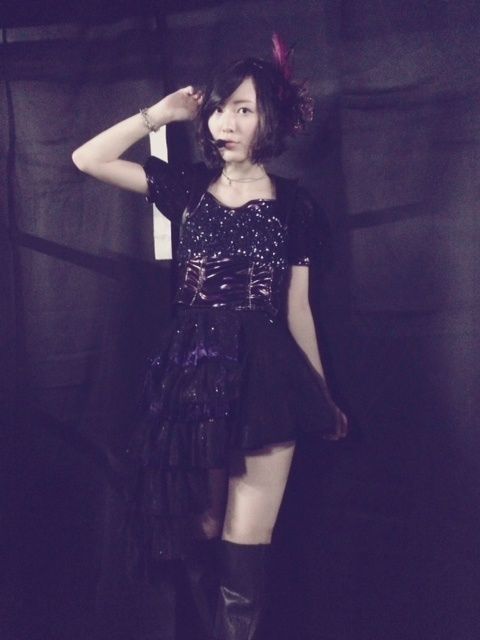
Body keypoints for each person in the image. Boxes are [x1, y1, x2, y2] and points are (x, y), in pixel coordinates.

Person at [72, 35, 348, 640]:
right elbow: (87, 159)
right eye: (220, 108)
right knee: (200, 532)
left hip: (268, 380)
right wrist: (159, 114)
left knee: (247, 540)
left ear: (270, 118)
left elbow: (298, 308)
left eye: (243, 109)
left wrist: (320, 394)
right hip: (194, 379)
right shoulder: (187, 190)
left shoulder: (295, 206)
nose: (226, 121)